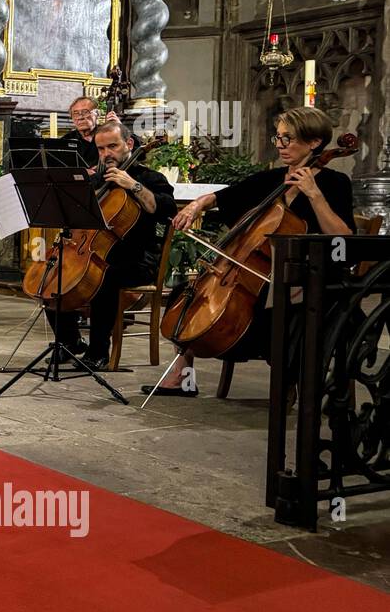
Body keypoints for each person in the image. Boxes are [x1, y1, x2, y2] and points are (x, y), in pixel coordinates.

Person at [144, 106, 354, 398]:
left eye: (288, 139)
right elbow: (222, 196)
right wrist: (196, 206)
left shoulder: (334, 183)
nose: (280, 146)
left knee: (273, 311)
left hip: (306, 276)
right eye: (277, 138)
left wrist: (314, 194)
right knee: (188, 293)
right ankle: (184, 375)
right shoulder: (271, 180)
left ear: (314, 142)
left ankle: (288, 382)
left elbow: (344, 240)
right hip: (261, 276)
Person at [44, 119, 176, 368]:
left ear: (128, 143)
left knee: (104, 278)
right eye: (101, 149)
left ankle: (98, 352)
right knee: (53, 275)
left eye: (112, 147)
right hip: (97, 251)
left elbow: (164, 209)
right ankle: (70, 342)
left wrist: (132, 185)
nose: (106, 154)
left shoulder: (150, 178)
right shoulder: (99, 179)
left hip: (136, 259)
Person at [64, 96, 101, 171]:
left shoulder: (108, 135)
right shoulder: (65, 140)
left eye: (85, 112)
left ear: (97, 114)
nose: (80, 117)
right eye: (75, 113)